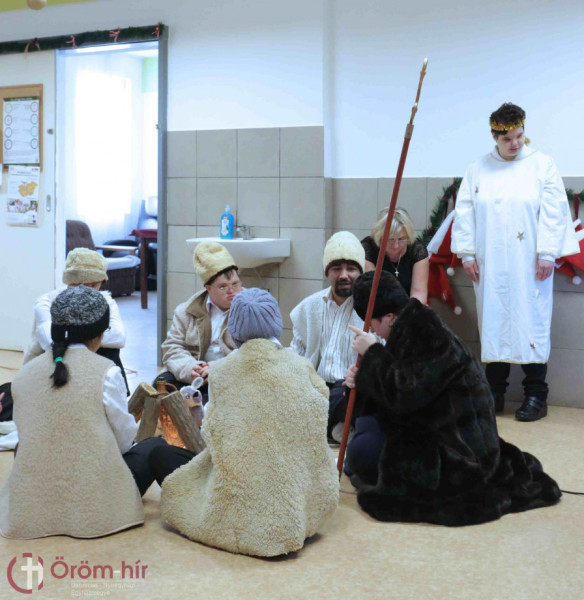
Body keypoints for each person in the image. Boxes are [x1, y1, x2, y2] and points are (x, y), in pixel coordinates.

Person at [343, 271, 561, 527]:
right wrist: (361, 379)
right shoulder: (410, 327)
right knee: (364, 436)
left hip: (456, 448)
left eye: (372, 323)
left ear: (389, 317)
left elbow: (405, 394)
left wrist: (373, 353)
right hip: (431, 426)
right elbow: (396, 384)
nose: (371, 330)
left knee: (361, 453)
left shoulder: (425, 335)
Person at [158, 288, 339, 557]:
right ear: (276, 322)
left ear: (234, 329)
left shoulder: (221, 371)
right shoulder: (301, 366)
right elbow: (318, 412)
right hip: (296, 493)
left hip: (244, 485)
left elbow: (213, 431)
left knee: (175, 484)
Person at [0, 286, 166, 539]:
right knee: (153, 447)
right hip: (92, 501)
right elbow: (123, 441)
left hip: (35, 498)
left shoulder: (24, 374)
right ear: (99, 334)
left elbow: (25, 434)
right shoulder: (107, 372)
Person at [451, 103, 578, 421]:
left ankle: (536, 395)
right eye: (507, 139)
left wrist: (547, 252)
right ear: (495, 137)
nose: (515, 143)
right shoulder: (478, 169)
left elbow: (554, 210)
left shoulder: (542, 165)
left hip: (531, 265)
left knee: (531, 321)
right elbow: (465, 212)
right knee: (493, 323)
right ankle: (494, 394)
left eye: (519, 136)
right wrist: (467, 253)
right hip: (490, 264)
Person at [290, 231, 366, 441]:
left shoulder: (370, 308)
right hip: (316, 386)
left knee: (348, 395)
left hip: (351, 390)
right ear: (327, 272)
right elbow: (296, 354)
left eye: (351, 269)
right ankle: (335, 428)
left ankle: (325, 426)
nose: (344, 275)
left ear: (360, 272)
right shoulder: (309, 307)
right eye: (336, 268)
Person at [157, 241, 240, 392]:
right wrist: (190, 368)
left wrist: (217, 369)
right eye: (223, 287)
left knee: (209, 400)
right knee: (160, 386)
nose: (231, 291)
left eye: (235, 284)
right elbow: (172, 347)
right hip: (197, 374)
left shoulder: (252, 309)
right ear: (208, 288)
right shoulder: (186, 311)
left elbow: (255, 350)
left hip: (232, 378)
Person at [361, 207, 429, 303]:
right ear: (379, 237)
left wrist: (411, 310)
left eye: (401, 239)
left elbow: (419, 292)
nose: (396, 245)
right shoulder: (368, 248)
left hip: (408, 306)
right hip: (378, 305)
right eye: (391, 239)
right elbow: (373, 291)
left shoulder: (417, 250)